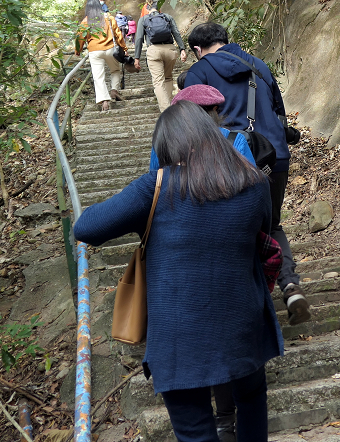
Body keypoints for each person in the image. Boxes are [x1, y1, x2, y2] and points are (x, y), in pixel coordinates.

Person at [73, 101, 284, 442]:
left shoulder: (156, 186)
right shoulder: (255, 184)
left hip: (179, 336)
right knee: (251, 401)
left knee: (195, 430)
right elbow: (264, 231)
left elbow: (87, 227)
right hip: (243, 323)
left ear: (167, 148)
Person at [148, 83, 256, 442]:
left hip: (180, 264)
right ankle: (226, 418)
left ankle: (222, 419)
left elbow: (154, 188)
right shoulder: (233, 140)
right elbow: (252, 189)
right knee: (230, 342)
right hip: (230, 257)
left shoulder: (164, 150)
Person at [183, 22, 310, 326]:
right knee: (271, 223)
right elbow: (280, 113)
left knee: (230, 227)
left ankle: (243, 305)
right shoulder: (259, 65)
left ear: (198, 50)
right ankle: (290, 287)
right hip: (273, 156)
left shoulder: (198, 73)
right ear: (225, 40)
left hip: (230, 158)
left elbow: (188, 123)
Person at [148, 84, 256, 171]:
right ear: (214, 110)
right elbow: (253, 182)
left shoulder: (164, 142)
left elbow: (154, 180)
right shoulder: (234, 139)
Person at [75, 0, 129, 112]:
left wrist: (78, 51)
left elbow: (79, 37)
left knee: (98, 76)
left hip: (94, 51)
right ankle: (114, 90)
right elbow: (118, 34)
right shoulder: (108, 18)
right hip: (110, 49)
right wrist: (124, 48)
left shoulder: (85, 21)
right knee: (115, 70)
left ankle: (104, 100)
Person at [133, 4, 187, 111]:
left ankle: (166, 111)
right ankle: (170, 105)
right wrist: (182, 49)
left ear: (146, 10)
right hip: (170, 51)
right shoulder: (167, 17)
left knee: (158, 82)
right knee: (168, 78)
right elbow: (176, 33)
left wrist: (137, 57)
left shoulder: (143, 19)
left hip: (154, 51)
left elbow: (139, 39)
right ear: (159, 9)